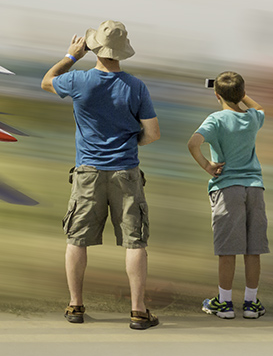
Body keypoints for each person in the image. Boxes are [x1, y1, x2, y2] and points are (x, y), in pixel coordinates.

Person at [41, 20, 161, 330]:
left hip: (88, 172)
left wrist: (71, 56)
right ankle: (138, 311)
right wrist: (128, 142)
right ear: (122, 51)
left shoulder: (78, 80)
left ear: (94, 47)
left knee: (77, 239)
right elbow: (152, 133)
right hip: (126, 172)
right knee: (135, 242)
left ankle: (75, 305)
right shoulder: (136, 87)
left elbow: (47, 82)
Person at [187, 71, 268, 320]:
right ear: (242, 93)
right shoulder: (252, 118)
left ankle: (224, 303)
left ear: (217, 95)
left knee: (228, 249)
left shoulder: (216, 119)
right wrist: (242, 95)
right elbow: (259, 107)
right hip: (254, 188)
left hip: (227, 189)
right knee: (253, 249)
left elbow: (193, 143)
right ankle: (251, 303)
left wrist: (208, 166)